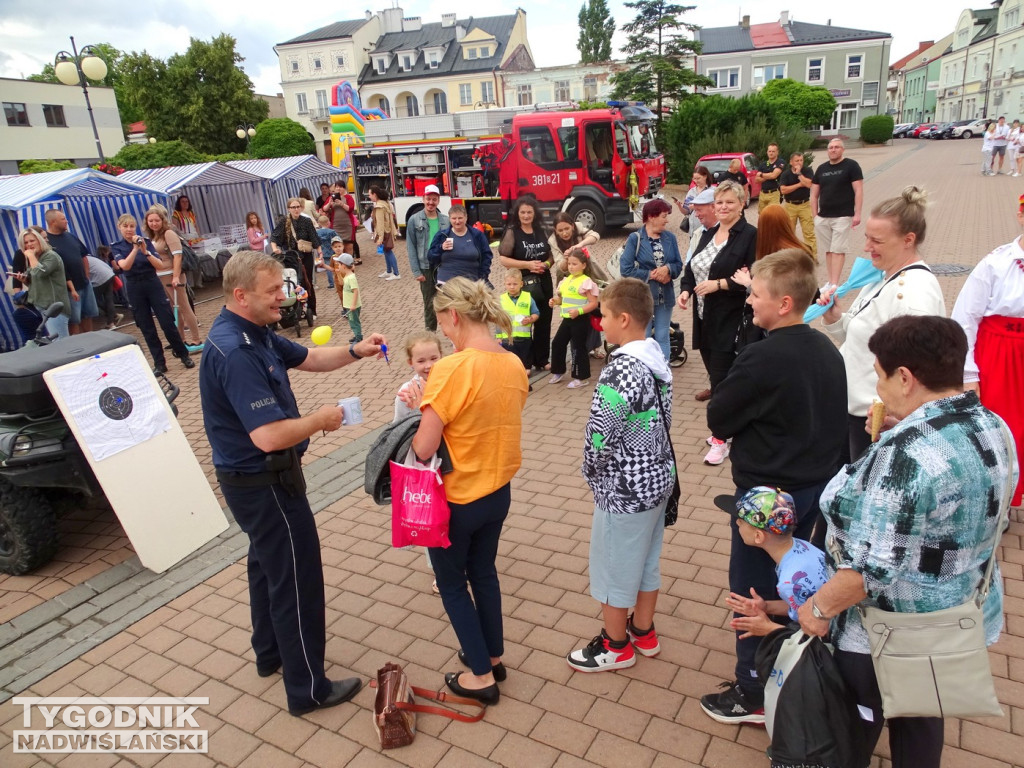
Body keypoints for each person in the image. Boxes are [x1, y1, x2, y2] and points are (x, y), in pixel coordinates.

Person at [797, 315, 1017, 768]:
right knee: (920, 719)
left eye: (879, 376)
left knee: (851, 725)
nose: (877, 389)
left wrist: (817, 608)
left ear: (905, 377)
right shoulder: (992, 422)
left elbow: (870, 570)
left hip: (890, 630)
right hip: (955, 614)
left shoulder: (906, 456)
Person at [199, 250, 385, 716]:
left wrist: (355, 350)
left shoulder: (254, 330)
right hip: (265, 482)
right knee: (297, 580)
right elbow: (267, 436)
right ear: (241, 296)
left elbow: (308, 358)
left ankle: (270, 653)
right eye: (273, 291)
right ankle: (308, 689)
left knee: (266, 564)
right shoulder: (237, 350)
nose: (284, 296)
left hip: (254, 481)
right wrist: (321, 420)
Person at [699, 248, 846, 725]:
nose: (750, 303)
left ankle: (753, 690)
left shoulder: (761, 357)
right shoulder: (826, 348)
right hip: (814, 488)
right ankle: (787, 667)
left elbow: (719, 415)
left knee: (751, 587)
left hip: (766, 499)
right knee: (798, 580)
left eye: (757, 295)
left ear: (784, 303)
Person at [399, 277, 529, 705]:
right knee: (485, 573)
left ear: (453, 316)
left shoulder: (452, 368)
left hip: (456, 498)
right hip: (498, 492)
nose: (445, 333)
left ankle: (480, 677)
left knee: (452, 584)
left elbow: (424, 446)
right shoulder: (512, 363)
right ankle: (491, 656)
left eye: (443, 324)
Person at [566, 277, 674, 673]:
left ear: (624, 319)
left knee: (613, 565)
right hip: (657, 477)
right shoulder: (654, 356)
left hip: (624, 487)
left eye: (605, 316)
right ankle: (643, 632)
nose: (601, 323)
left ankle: (615, 646)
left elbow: (600, 432)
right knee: (646, 560)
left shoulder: (620, 370)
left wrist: (592, 472)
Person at [820, 186, 945, 462]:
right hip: (855, 410)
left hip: (876, 421)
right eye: (866, 237)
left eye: (877, 240)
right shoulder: (885, 276)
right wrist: (834, 318)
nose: (866, 247)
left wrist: (896, 418)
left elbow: (917, 370)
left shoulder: (913, 293)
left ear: (908, 240)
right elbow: (863, 339)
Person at [950, 193, 1024, 506]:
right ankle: (995, 503)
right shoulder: (996, 263)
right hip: (1000, 358)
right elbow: (964, 319)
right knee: (1000, 433)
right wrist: (968, 374)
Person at [678, 180, 757, 465]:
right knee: (715, 377)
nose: (723, 207)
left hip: (732, 319)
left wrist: (719, 285)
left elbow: (752, 281)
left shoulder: (749, 236)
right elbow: (691, 267)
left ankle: (721, 439)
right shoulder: (707, 232)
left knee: (721, 382)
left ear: (741, 204)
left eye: (729, 202)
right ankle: (729, 429)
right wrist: (686, 290)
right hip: (704, 318)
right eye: (720, 202)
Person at [724, 486, 827, 639]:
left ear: (758, 536)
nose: (737, 523)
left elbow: (816, 631)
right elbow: (806, 606)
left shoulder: (789, 583)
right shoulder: (803, 546)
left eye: (741, 521)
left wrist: (769, 629)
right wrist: (766, 606)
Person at [110, 214, 195, 373]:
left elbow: (160, 265)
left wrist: (145, 251)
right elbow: (125, 266)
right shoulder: (116, 246)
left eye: (131, 226)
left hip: (152, 282)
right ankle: (159, 362)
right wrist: (135, 250)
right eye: (125, 226)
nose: (129, 230)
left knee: (167, 321)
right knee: (146, 326)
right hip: (134, 286)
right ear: (119, 227)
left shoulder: (146, 242)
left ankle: (183, 354)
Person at [730, 203, 812, 349]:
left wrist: (749, 284)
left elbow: (780, 290)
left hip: (776, 324)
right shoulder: (799, 250)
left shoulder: (784, 257)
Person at [621, 198, 684, 363]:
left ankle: (663, 372)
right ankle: (645, 370)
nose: (667, 220)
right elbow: (626, 269)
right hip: (644, 297)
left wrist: (668, 270)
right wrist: (652, 275)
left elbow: (678, 264)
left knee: (663, 335)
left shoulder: (670, 237)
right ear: (651, 216)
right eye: (664, 216)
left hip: (665, 295)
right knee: (645, 335)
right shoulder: (636, 238)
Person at [498, 196, 554, 371]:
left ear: (534, 213)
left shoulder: (541, 230)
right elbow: (503, 259)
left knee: (544, 320)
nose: (526, 215)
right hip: (523, 283)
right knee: (524, 320)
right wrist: (528, 265)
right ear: (518, 213)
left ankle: (542, 359)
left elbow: (552, 255)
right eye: (523, 212)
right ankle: (524, 360)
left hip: (544, 280)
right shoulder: (512, 231)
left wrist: (545, 264)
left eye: (529, 212)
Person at [144, 205, 203, 350]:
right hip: (161, 276)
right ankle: (180, 339)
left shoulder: (169, 233)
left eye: (156, 220)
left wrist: (176, 276)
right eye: (150, 221)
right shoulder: (154, 236)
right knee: (173, 309)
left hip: (172, 275)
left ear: (162, 220)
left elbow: (178, 255)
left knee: (184, 307)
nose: (153, 223)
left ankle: (196, 340)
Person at [811, 138, 863, 292]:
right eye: (830, 147)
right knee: (828, 250)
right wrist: (815, 216)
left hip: (843, 215)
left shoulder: (851, 166)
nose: (833, 150)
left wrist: (857, 213)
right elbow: (814, 194)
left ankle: (835, 283)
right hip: (823, 216)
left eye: (836, 147)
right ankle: (830, 281)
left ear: (842, 149)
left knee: (838, 250)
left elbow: (858, 190)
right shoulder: (821, 169)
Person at [548, 251, 600, 389]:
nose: (571, 267)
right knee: (558, 342)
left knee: (578, 347)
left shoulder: (586, 282)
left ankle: (581, 377)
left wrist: (579, 311)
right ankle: (558, 371)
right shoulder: (566, 280)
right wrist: (556, 301)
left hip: (580, 319)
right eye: (569, 264)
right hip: (567, 319)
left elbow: (593, 303)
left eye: (574, 264)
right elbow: (563, 299)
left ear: (583, 265)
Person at [44, 209, 96, 334]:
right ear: (53, 222)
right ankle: (79, 349)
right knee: (74, 320)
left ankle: (93, 341)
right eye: (63, 219)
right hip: (68, 289)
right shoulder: (47, 242)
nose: (66, 221)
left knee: (88, 314)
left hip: (84, 283)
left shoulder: (70, 236)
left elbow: (84, 256)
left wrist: (87, 275)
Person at [406, 184, 449, 330]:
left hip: (443, 267)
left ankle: (450, 332)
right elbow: (411, 246)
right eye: (428, 199)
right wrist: (416, 271)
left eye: (434, 199)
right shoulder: (414, 220)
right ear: (423, 199)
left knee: (446, 302)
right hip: (425, 268)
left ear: (438, 201)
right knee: (429, 304)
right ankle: (430, 335)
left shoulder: (445, 220)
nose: (431, 202)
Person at [15, 228, 70, 338]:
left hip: (55, 307)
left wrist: (30, 256)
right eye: (26, 242)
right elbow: (38, 282)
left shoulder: (50, 256)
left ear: (39, 240)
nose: (29, 244)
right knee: (56, 342)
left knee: (61, 343)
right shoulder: (36, 258)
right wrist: (25, 280)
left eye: (32, 241)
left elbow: (40, 273)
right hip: (43, 306)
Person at [271, 197, 320, 320]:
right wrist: (275, 249)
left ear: (301, 207)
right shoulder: (284, 222)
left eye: (298, 207)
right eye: (293, 207)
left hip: (305, 256)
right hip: (291, 257)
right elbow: (274, 237)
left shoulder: (306, 221)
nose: (296, 209)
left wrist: (320, 252)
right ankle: (295, 309)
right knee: (293, 282)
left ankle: (311, 309)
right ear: (288, 209)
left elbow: (314, 237)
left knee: (307, 282)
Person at [428, 204, 493, 285]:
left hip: (472, 282)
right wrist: (441, 247)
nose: (457, 221)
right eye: (454, 218)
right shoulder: (442, 235)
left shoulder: (477, 235)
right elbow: (430, 257)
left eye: (460, 218)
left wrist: (482, 276)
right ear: (449, 219)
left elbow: (487, 256)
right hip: (446, 283)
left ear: (466, 218)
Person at [393, 330, 443, 421]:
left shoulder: (451, 381)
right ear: (411, 362)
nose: (429, 365)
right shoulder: (406, 392)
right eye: (421, 361)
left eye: (434, 358)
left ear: (441, 356)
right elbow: (399, 425)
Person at [495, 269, 538, 368]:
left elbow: (536, 313)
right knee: (510, 365)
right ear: (504, 284)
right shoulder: (501, 299)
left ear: (521, 284)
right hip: (507, 339)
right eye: (509, 284)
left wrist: (531, 319)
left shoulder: (527, 297)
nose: (512, 287)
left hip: (524, 338)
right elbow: (498, 320)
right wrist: (498, 337)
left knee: (526, 368)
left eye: (515, 284)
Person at [780, 153, 816, 257]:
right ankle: (790, 257)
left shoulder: (807, 171)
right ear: (791, 162)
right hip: (790, 206)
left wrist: (799, 174)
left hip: (805, 205)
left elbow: (809, 184)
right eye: (797, 161)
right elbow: (783, 190)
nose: (799, 162)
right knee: (789, 233)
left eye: (801, 160)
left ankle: (812, 257)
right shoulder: (786, 174)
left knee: (809, 232)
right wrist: (800, 184)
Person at [369, 185, 400, 280]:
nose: (369, 196)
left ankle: (396, 273)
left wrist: (380, 238)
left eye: (370, 194)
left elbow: (380, 224)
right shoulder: (385, 203)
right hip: (388, 231)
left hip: (384, 232)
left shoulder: (379, 207)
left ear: (375, 194)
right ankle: (389, 271)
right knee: (386, 251)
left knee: (388, 251)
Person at [86, 253, 122, 330]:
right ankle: (111, 323)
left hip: (99, 278)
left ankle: (114, 316)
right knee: (109, 299)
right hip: (109, 274)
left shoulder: (81, 260)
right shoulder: (90, 257)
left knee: (93, 300)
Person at [674, 165, 713, 235]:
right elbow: (686, 212)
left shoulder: (713, 191)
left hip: (708, 229)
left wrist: (696, 207)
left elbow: (715, 209)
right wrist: (680, 206)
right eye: (694, 178)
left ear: (705, 176)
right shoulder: (691, 192)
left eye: (698, 178)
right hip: (693, 231)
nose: (696, 181)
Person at [335, 252, 361, 343]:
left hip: (352, 305)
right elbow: (341, 283)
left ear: (344, 266)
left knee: (354, 322)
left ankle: (358, 337)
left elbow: (356, 291)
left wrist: (353, 305)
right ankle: (356, 335)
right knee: (351, 321)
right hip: (348, 305)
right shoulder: (347, 276)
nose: (338, 266)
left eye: (339, 265)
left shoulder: (351, 278)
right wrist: (338, 274)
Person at [327, 182, 355, 257]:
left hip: (347, 226)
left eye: (341, 187)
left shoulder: (348, 197)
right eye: (337, 187)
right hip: (336, 226)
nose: (338, 188)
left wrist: (341, 203)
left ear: (344, 188)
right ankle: (340, 266)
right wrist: (329, 203)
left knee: (349, 246)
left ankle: (349, 264)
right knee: (337, 246)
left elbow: (350, 208)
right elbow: (324, 208)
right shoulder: (332, 197)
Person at [755, 143, 785, 213]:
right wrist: (769, 175)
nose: (771, 153)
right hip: (763, 194)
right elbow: (756, 180)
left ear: (777, 152)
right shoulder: (763, 164)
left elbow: (774, 175)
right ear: (767, 152)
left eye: (773, 151)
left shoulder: (780, 162)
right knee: (762, 216)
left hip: (774, 193)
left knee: (773, 215)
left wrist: (762, 174)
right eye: (769, 151)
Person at [315, 216, 336, 290]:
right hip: (332, 251)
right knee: (336, 266)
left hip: (323, 252)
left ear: (319, 224)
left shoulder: (317, 232)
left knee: (328, 268)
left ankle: (331, 284)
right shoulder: (332, 232)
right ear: (328, 222)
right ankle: (339, 280)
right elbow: (337, 240)